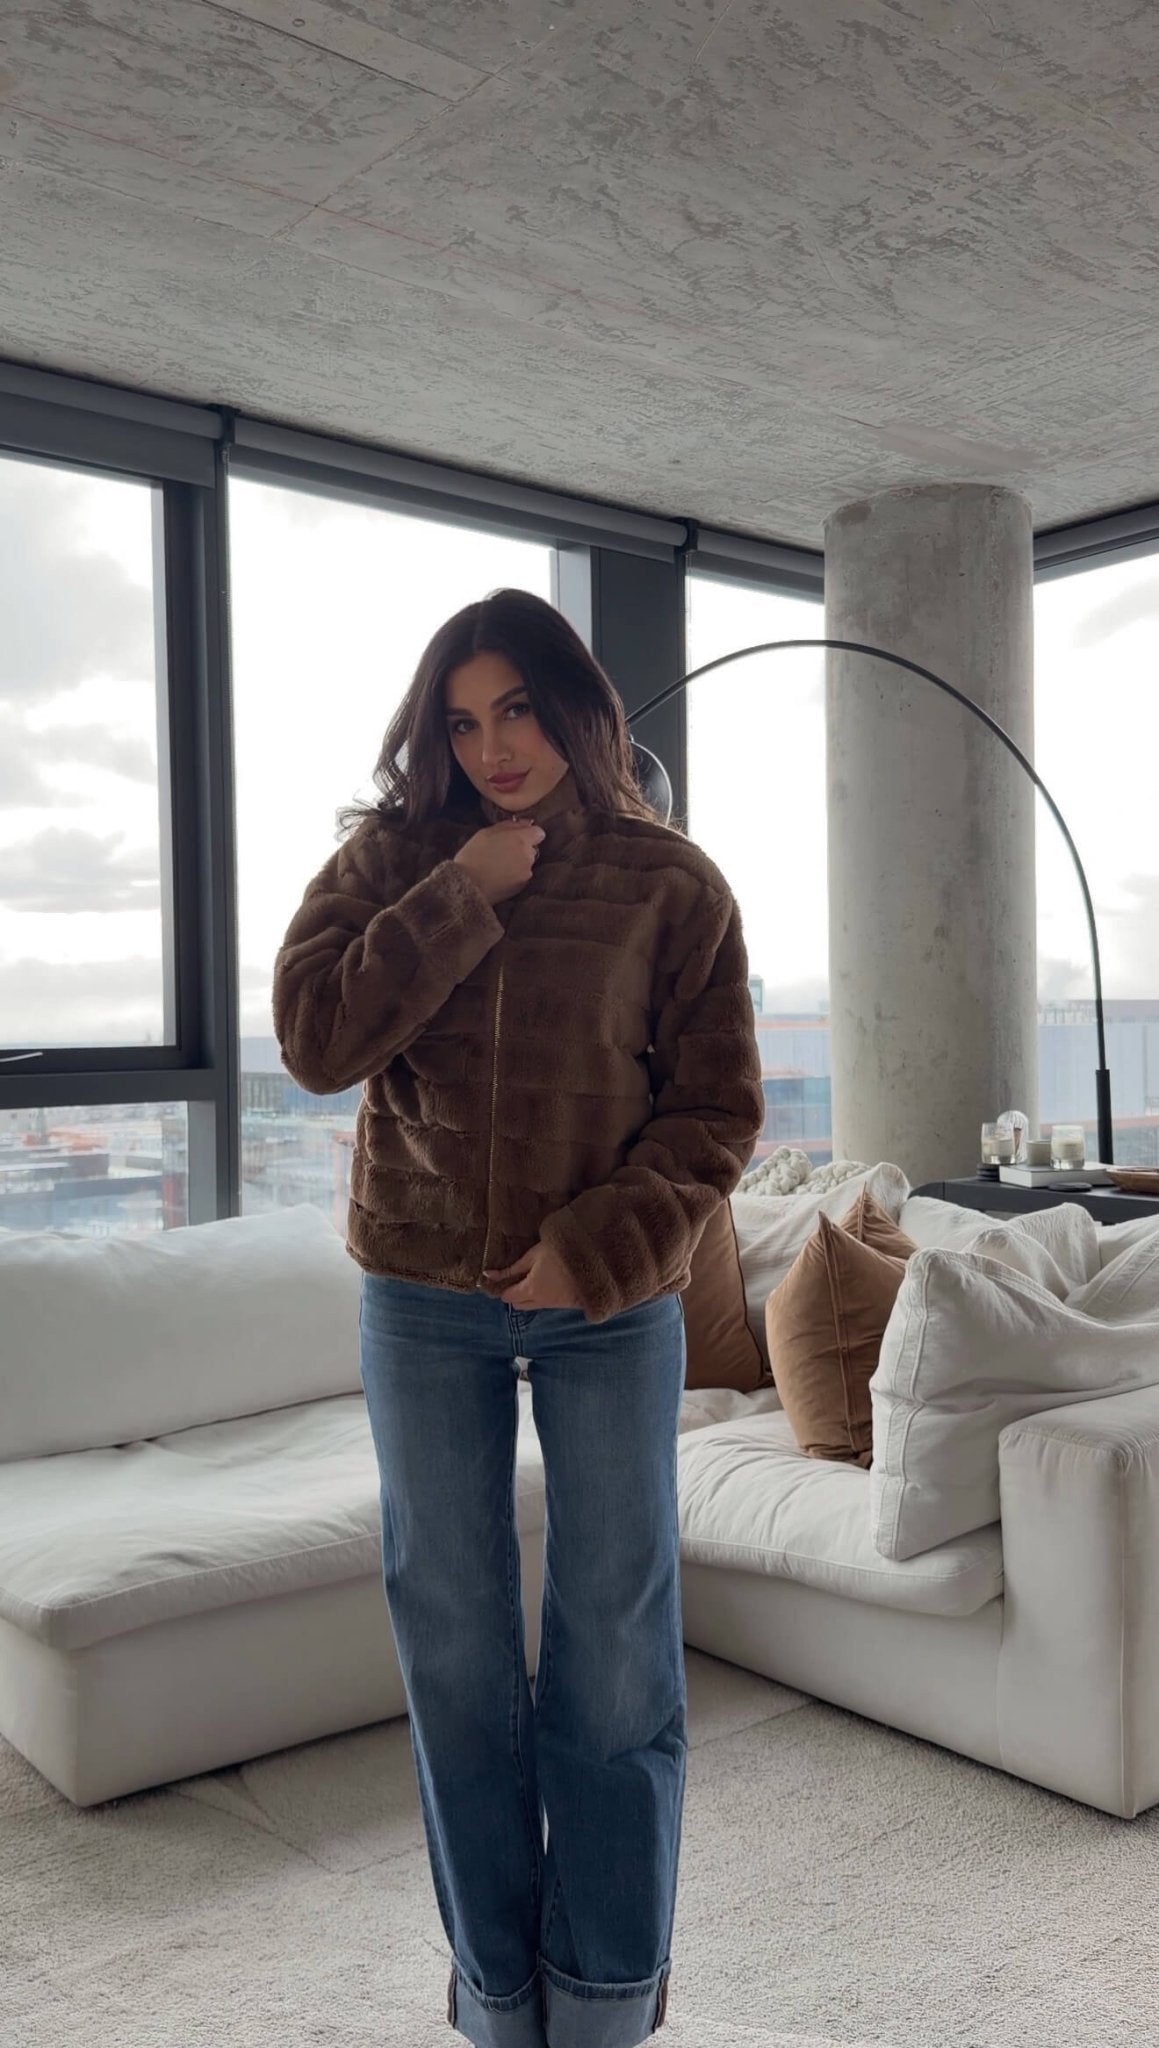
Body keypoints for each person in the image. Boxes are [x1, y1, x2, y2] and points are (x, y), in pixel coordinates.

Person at [272, 588, 765, 2048]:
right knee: (455, 1655)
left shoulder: (673, 883)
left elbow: (717, 1113)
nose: (493, 746)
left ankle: (601, 1999)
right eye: (463, 721)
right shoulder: (390, 860)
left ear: (577, 707)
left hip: (608, 1307)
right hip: (422, 1301)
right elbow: (314, 1042)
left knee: (613, 1656)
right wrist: (459, 893)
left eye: (519, 710)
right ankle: (499, 1995)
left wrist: (593, 1252)